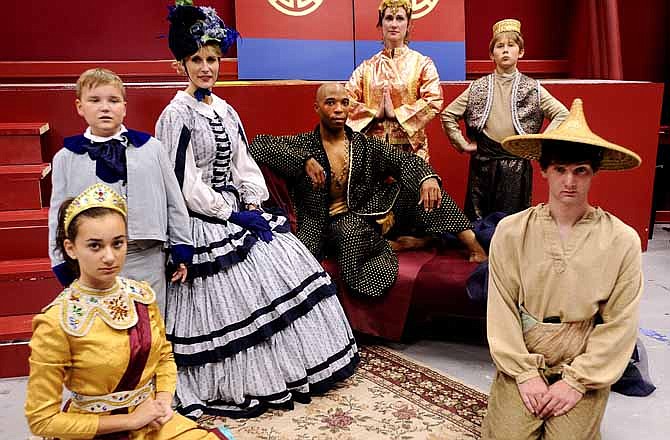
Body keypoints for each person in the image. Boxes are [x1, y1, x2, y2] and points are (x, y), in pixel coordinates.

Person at [154, 1, 358, 418]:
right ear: (181, 64)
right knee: (230, 304)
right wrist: (227, 214)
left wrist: (252, 203)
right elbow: (183, 182)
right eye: (197, 59)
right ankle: (238, 380)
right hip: (200, 221)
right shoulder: (175, 115)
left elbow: (244, 162)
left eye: (212, 59)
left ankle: (290, 368)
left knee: (283, 266)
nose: (207, 67)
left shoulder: (224, 108)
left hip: (237, 211)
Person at [483, 98, 643, 439]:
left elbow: (620, 322)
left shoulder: (622, 240)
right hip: (525, 354)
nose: (569, 181)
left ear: (594, 173)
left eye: (580, 170)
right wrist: (524, 374)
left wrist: (576, 381)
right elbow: (501, 308)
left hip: (584, 358)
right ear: (543, 170)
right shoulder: (511, 232)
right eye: (560, 169)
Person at [25, 183, 233, 440]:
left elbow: (164, 357)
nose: (110, 257)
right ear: (71, 248)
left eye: (118, 243)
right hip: (95, 430)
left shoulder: (141, 295)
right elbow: (42, 421)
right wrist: (130, 420)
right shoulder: (56, 321)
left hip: (151, 420)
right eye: (95, 246)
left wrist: (164, 402)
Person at [249, 83, 487, 298]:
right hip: (331, 225)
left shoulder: (365, 145)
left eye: (344, 103)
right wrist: (304, 160)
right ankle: (402, 245)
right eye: (330, 103)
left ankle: (474, 246)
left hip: (375, 212)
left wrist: (428, 178)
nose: (339, 109)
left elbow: (406, 162)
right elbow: (258, 145)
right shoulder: (303, 144)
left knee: (423, 188)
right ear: (317, 108)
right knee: (349, 232)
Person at [48, 67, 193, 315]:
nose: (105, 107)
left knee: (149, 322)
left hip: (146, 255)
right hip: (92, 260)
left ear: (124, 107)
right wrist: (60, 259)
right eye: (95, 100)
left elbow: (173, 200)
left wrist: (182, 246)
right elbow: (58, 214)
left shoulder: (151, 148)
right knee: (102, 326)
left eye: (113, 100)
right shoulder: (66, 157)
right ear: (79, 107)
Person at [440, 19, 569, 221]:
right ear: (492, 54)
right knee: (478, 216)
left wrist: (538, 141)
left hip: (517, 163)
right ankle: (479, 248)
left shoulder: (531, 87)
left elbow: (562, 114)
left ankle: (507, 250)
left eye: (511, 45)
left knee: (511, 219)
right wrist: (462, 144)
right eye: (500, 46)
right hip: (483, 161)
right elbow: (448, 115)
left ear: (521, 52)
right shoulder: (478, 87)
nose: (506, 51)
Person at [345, 0, 442, 162]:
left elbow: (434, 101)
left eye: (400, 18)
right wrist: (373, 113)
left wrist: (396, 114)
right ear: (380, 24)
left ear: (409, 25)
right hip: (373, 150)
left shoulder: (422, 63)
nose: (394, 24)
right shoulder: (367, 68)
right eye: (389, 18)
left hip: (412, 150)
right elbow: (345, 101)